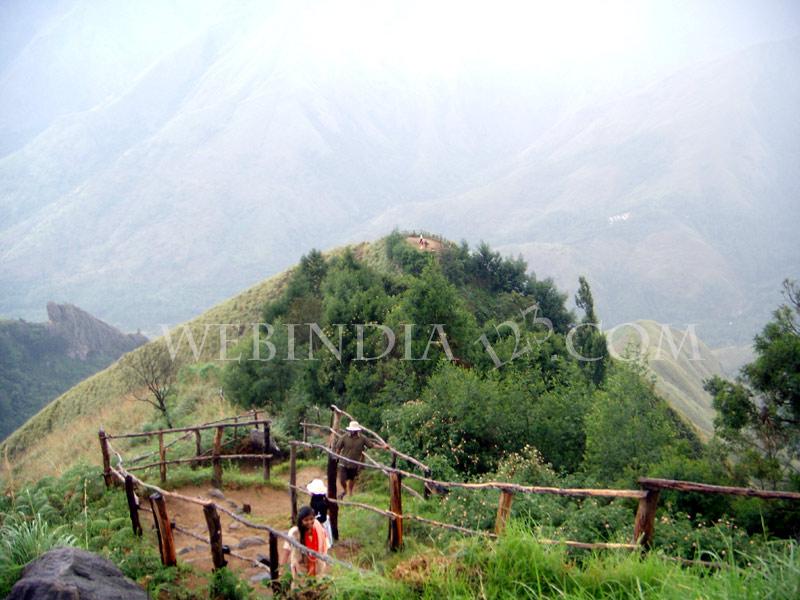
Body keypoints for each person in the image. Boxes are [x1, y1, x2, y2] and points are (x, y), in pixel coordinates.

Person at [333, 420, 387, 499]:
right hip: (343, 462)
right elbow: (338, 448)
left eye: (354, 431)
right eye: (352, 430)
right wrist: (336, 458)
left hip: (354, 463)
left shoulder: (362, 438)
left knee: (352, 479)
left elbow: (372, 445)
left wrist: (383, 447)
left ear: (357, 431)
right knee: (342, 480)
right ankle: (345, 490)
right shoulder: (344, 437)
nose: (353, 432)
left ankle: (350, 493)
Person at [281, 506, 329, 583]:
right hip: (300, 567)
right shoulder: (294, 533)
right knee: (300, 588)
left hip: (317, 566)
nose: (309, 522)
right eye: (306, 520)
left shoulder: (319, 529)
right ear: (300, 521)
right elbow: (287, 550)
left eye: (311, 519)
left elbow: (324, 544)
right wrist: (281, 570)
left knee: (317, 588)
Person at [307, 478, 333, 544]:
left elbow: (319, 517)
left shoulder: (316, 502)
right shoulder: (322, 501)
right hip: (322, 520)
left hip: (319, 522)